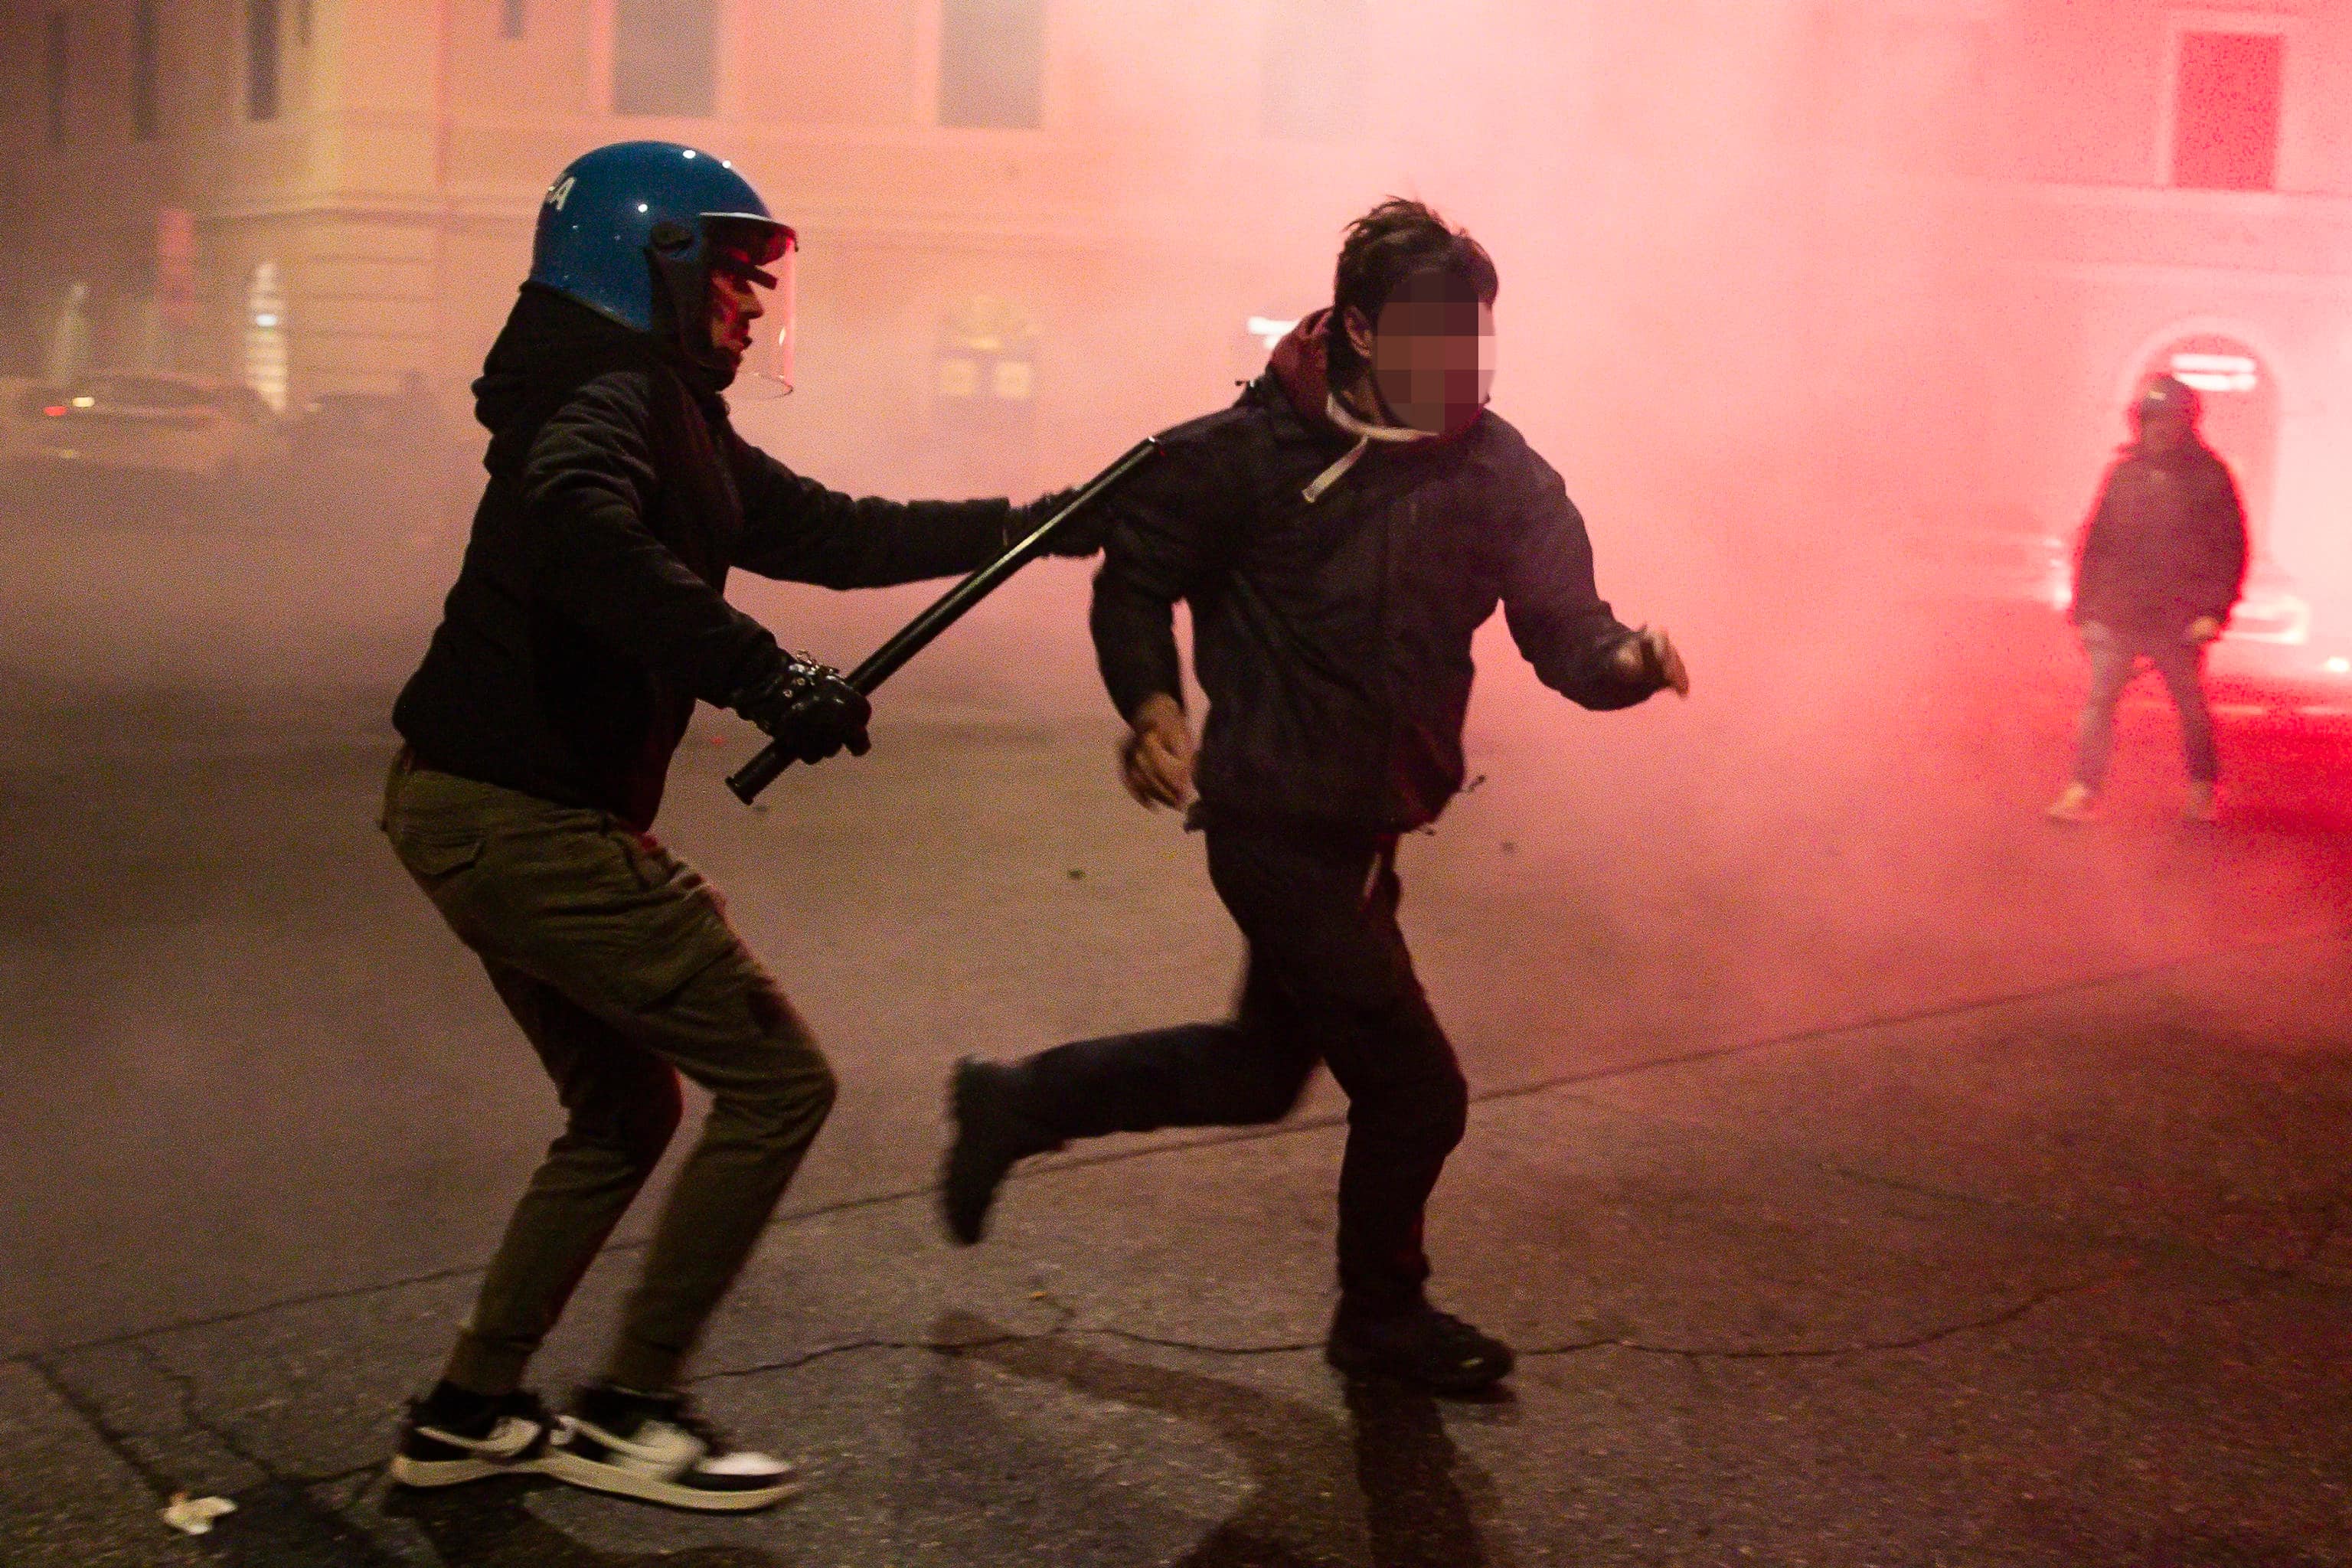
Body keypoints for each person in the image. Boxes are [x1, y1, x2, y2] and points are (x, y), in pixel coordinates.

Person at [381, 141, 1089, 1511]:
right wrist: (760, 672)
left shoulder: (659, 403)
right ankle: (630, 1408)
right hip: (517, 815)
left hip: (481, 804)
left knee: (621, 1107)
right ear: (648, 259)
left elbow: (822, 526)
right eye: (733, 271)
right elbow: (582, 535)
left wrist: (1025, 526)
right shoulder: (600, 394)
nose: (753, 303)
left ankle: (470, 1407)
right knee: (779, 1084)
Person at [936, 199, 1690, 1396]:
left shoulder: (1498, 469)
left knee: (1254, 1073)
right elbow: (1135, 584)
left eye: (1474, 341)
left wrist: (1623, 665)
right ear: (1354, 329)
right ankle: (1381, 1320)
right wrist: (1152, 706)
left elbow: (1566, 627)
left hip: (1368, 828)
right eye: (1431, 339)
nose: (1458, 369)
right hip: (1270, 821)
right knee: (1417, 1088)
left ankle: (1017, 1101)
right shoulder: (1242, 455)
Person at [2047, 372, 2249, 825]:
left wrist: (2213, 612)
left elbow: (2229, 548)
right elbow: (2097, 541)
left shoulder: (2209, 478)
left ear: (2188, 424)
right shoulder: (2125, 473)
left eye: (2170, 419)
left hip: (2178, 616)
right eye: (2152, 419)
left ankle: (2203, 786)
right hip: (2119, 612)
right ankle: (2083, 788)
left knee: (2189, 701)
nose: (2160, 428)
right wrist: (2084, 608)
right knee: (2100, 700)